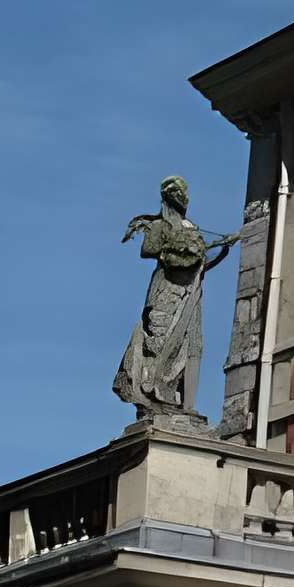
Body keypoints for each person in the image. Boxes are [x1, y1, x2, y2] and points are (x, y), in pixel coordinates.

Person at [113, 175, 233, 424]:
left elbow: (200, 264)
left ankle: (187, 404)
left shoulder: (190, 226)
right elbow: (148, 250)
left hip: (190, 294)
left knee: (192, 343)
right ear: (169, 197)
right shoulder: (161, 224)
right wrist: (173, 247)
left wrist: (223, 247)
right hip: (166, 290)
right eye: (178, 193)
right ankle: (153, 394)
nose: (183, 198)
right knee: (158, 343)